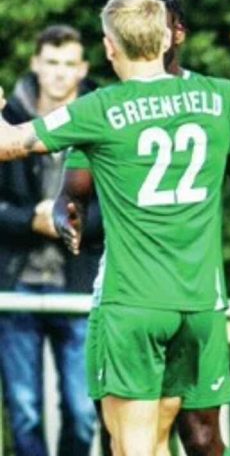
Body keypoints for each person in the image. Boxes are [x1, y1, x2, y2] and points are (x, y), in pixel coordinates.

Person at [0, 0, 230, 455]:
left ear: (110, 47)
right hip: (199, 305)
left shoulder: (100, 109)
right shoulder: (221, 97)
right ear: (168, 39)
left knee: (133, 446)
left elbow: (10, 145)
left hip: (132, 302)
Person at [0, 25, 98, 455]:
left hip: (78, 285)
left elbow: (120, 207)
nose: (59, 74)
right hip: (15, 284)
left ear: (83, 69)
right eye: (51, 63)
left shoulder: (101, 119)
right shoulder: (9, 120)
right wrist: (30, 220)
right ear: (36, 64)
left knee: (82, 411)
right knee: (25, 410)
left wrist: (65, 221)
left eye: (68, 64)